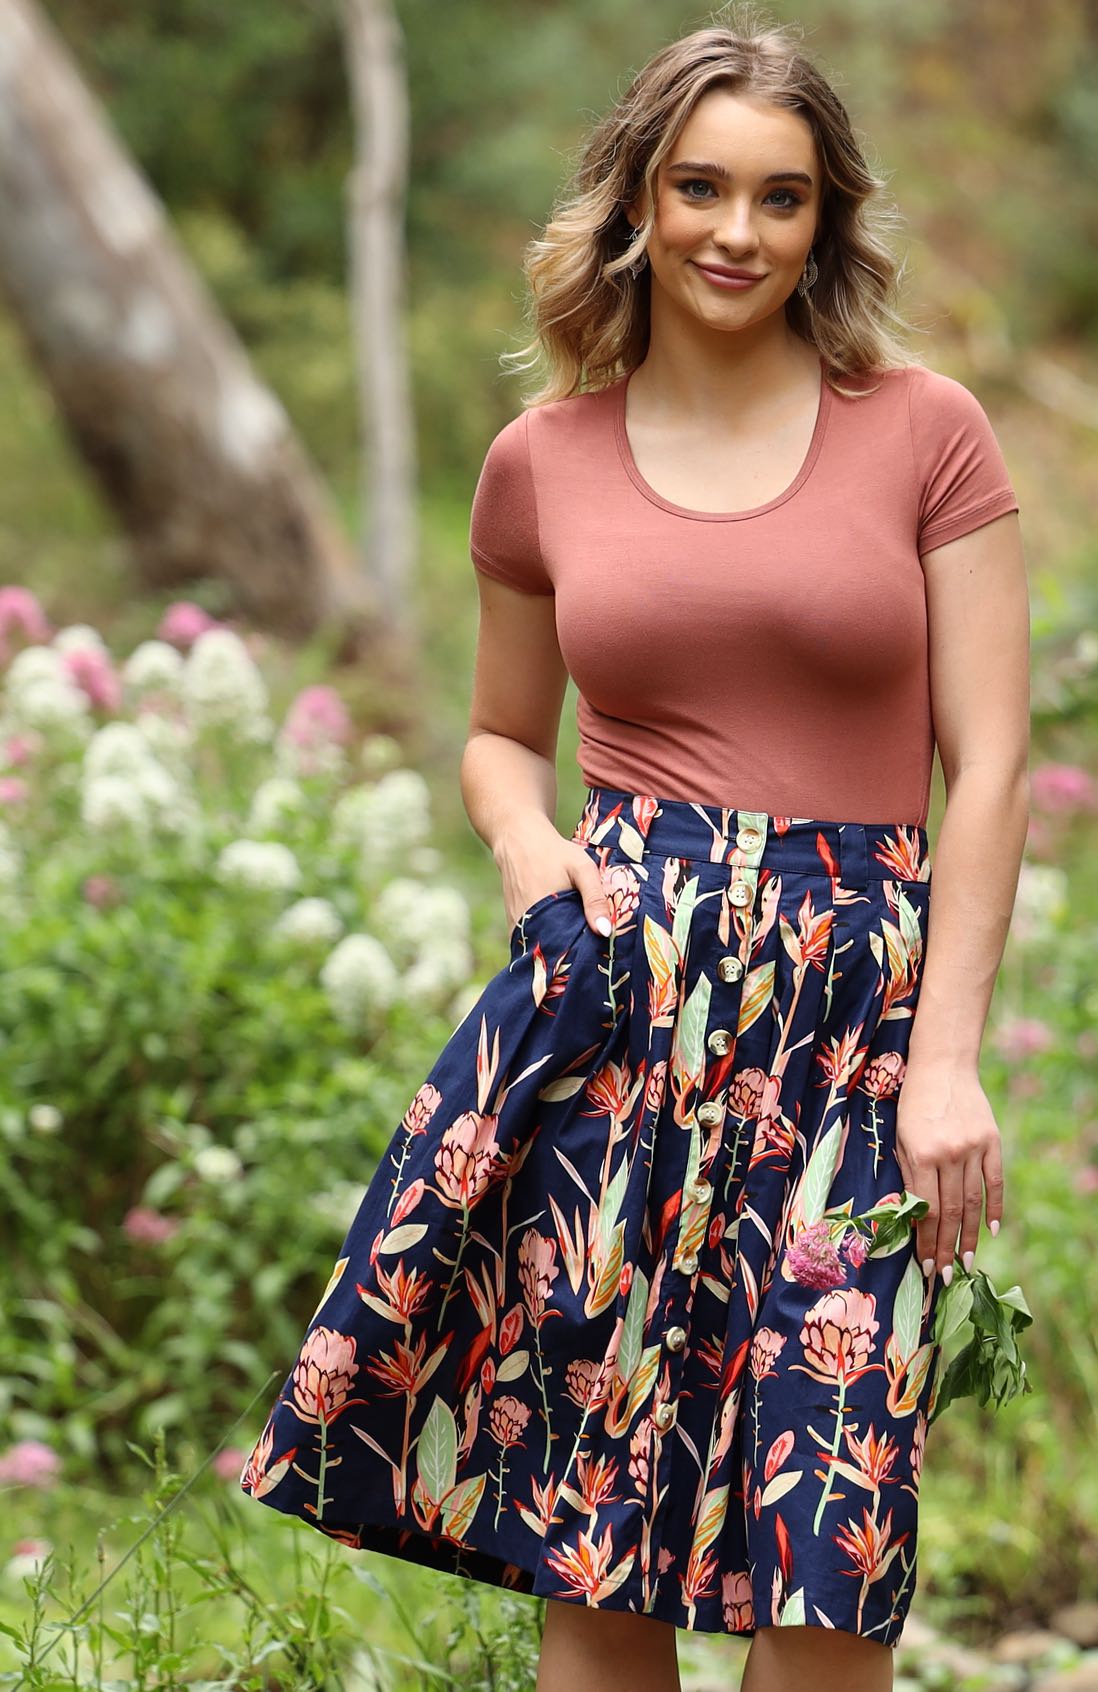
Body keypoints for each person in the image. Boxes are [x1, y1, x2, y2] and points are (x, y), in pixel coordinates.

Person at [240, 9, 1029, 1692]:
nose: (737, 232)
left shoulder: (927, 430)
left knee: (830, 1552)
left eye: (781, 196)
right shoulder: (543, 463)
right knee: (602, 1544)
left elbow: (993, 767)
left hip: (850, 1033)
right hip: (620, 1009)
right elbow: (496, 735)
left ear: (826, 220)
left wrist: (946, 1060)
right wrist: (527, 845)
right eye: (701, 188)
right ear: (639, 202)